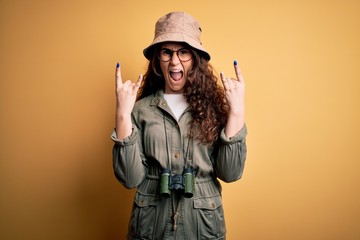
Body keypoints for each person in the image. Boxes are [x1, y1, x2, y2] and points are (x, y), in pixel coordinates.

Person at [111, 11, 247, 240]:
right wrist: (123, 114)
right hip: (150, 227)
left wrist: (237, 111)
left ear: (195, 58)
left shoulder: (214, 108)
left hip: (202, 227)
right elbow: (129, 179)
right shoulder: (140, 110)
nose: (175, 61)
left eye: (183, 52)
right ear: (158, 59)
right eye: (167, 52)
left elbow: (231, 173)